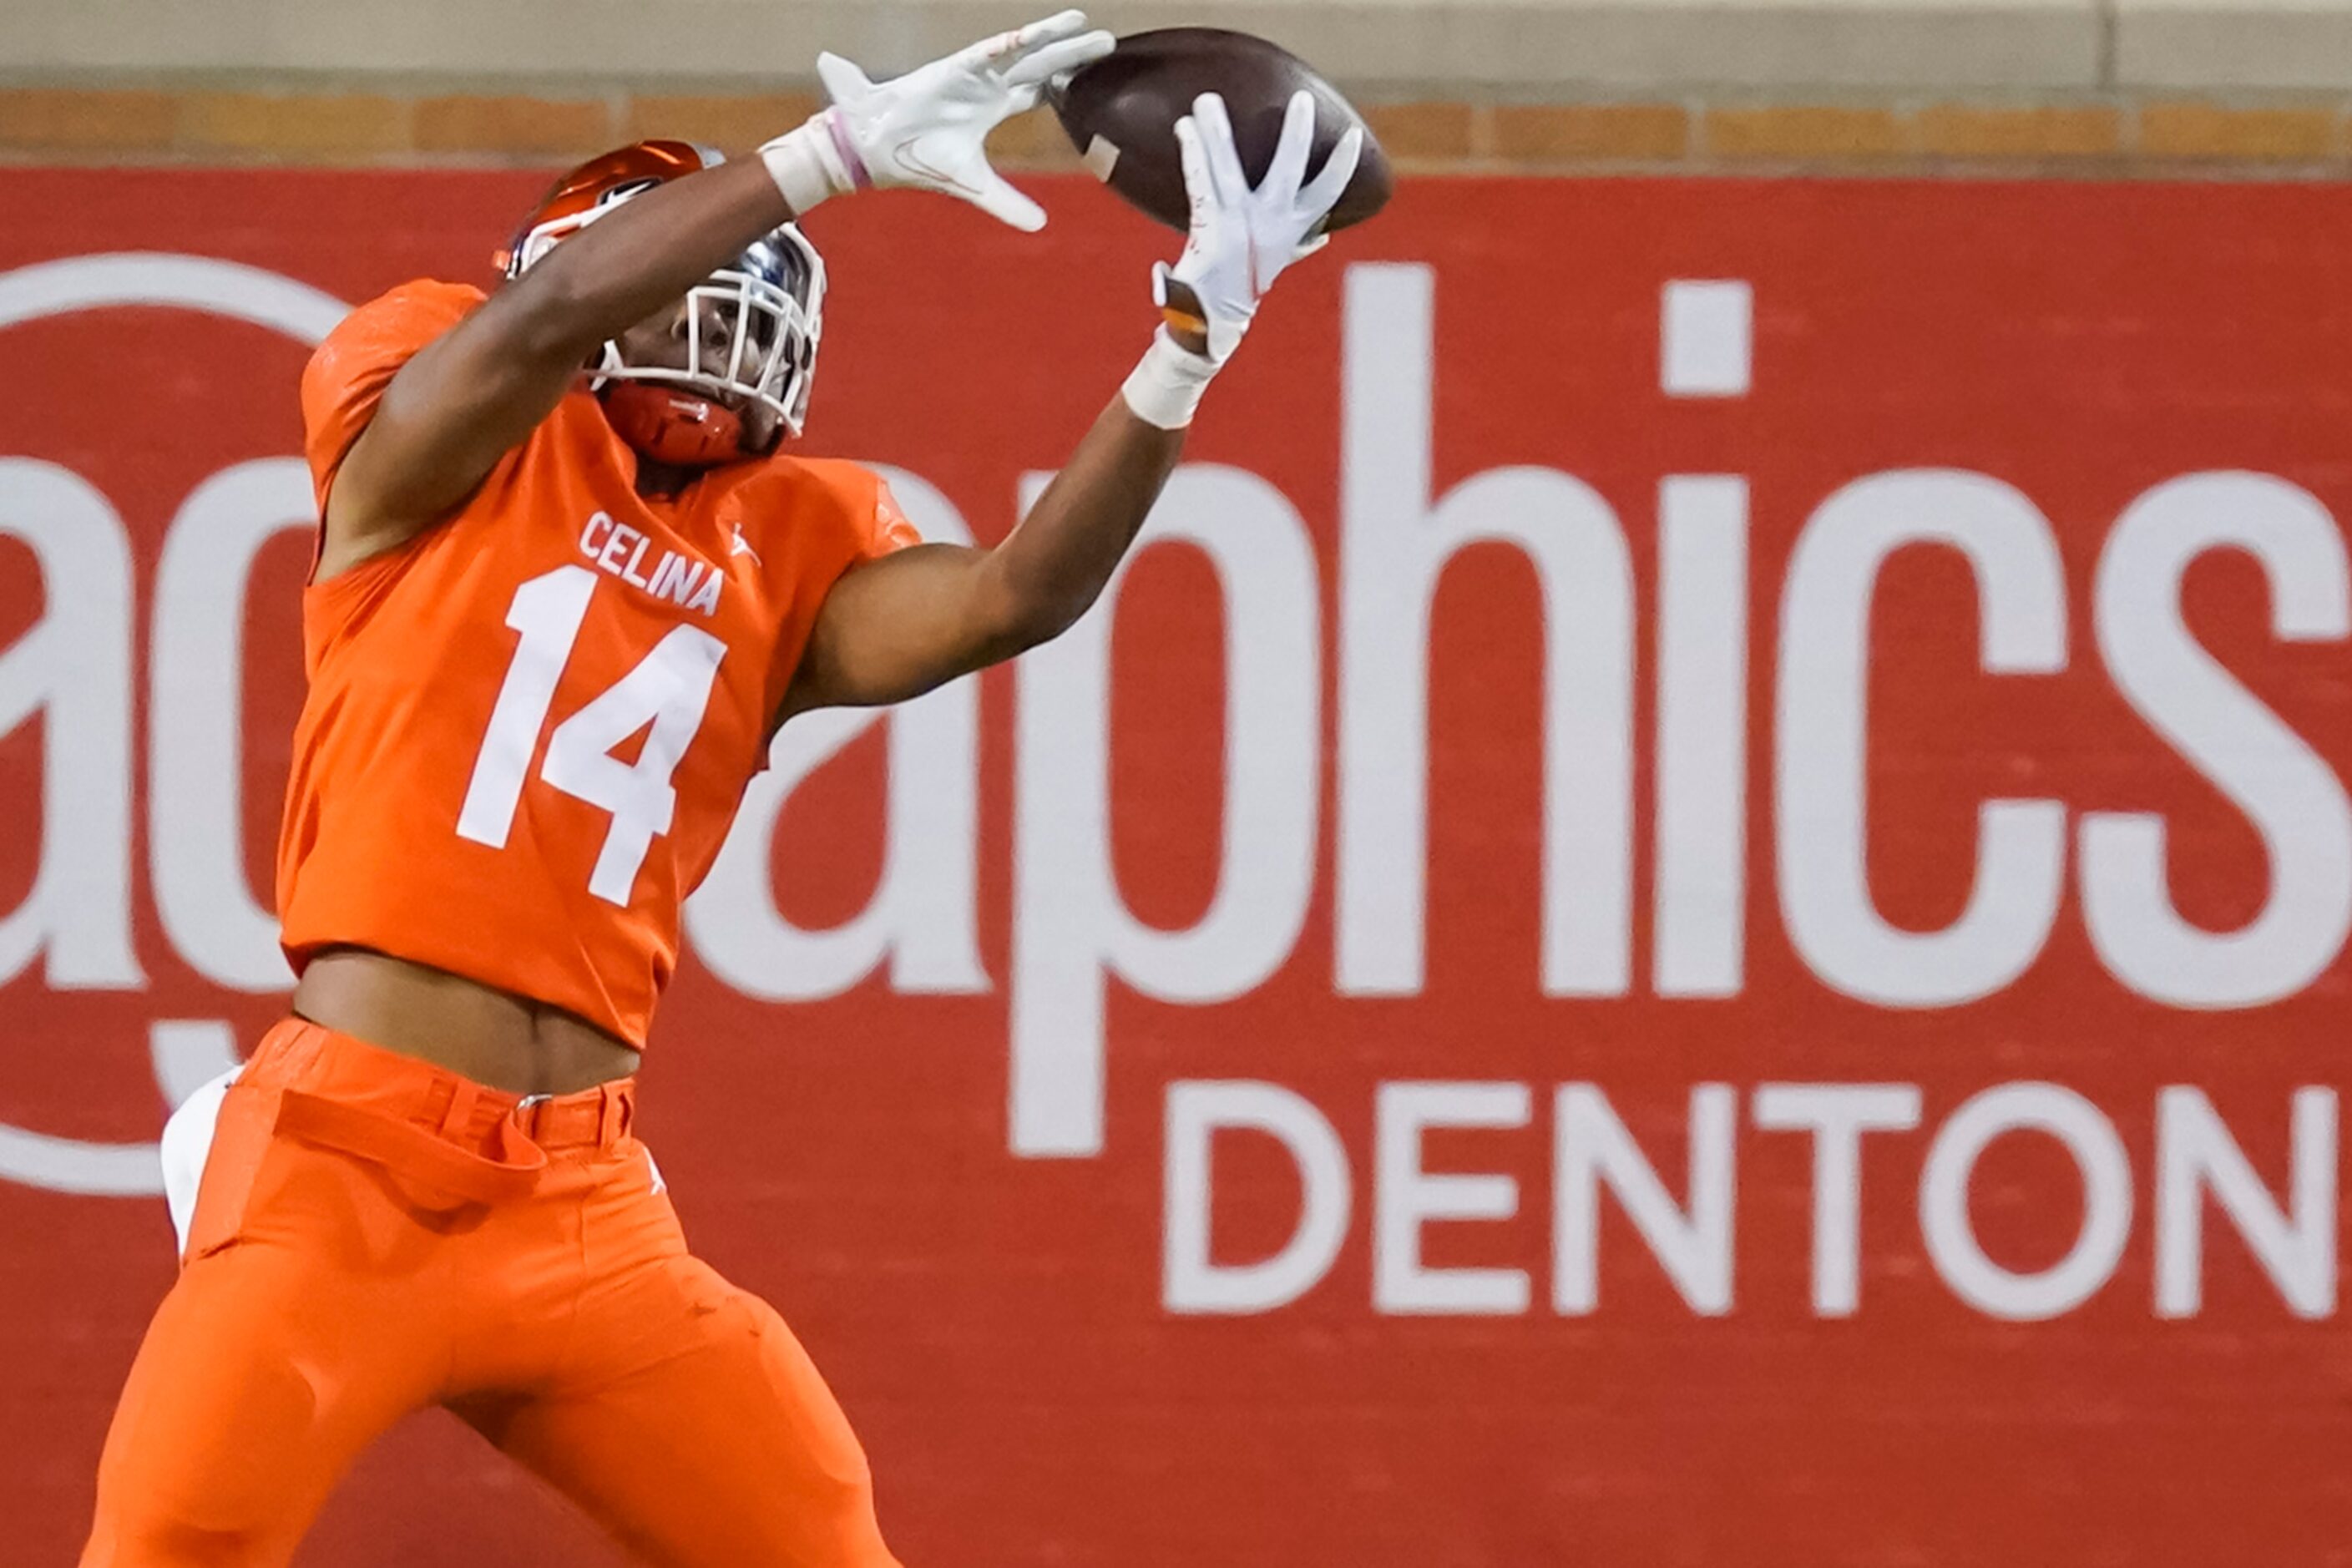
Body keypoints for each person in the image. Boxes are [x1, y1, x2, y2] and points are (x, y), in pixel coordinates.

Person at [78, 12, 1362, 1566]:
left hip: (581, 1196)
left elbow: (1013, 595)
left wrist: (1188, 338)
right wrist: (822, 161)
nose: (721, 304)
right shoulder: (434, 430)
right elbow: (547, 320)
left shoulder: (786, 535)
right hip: (342, 1166)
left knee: (821, 1533)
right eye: (674, 263)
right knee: (166, 1546)